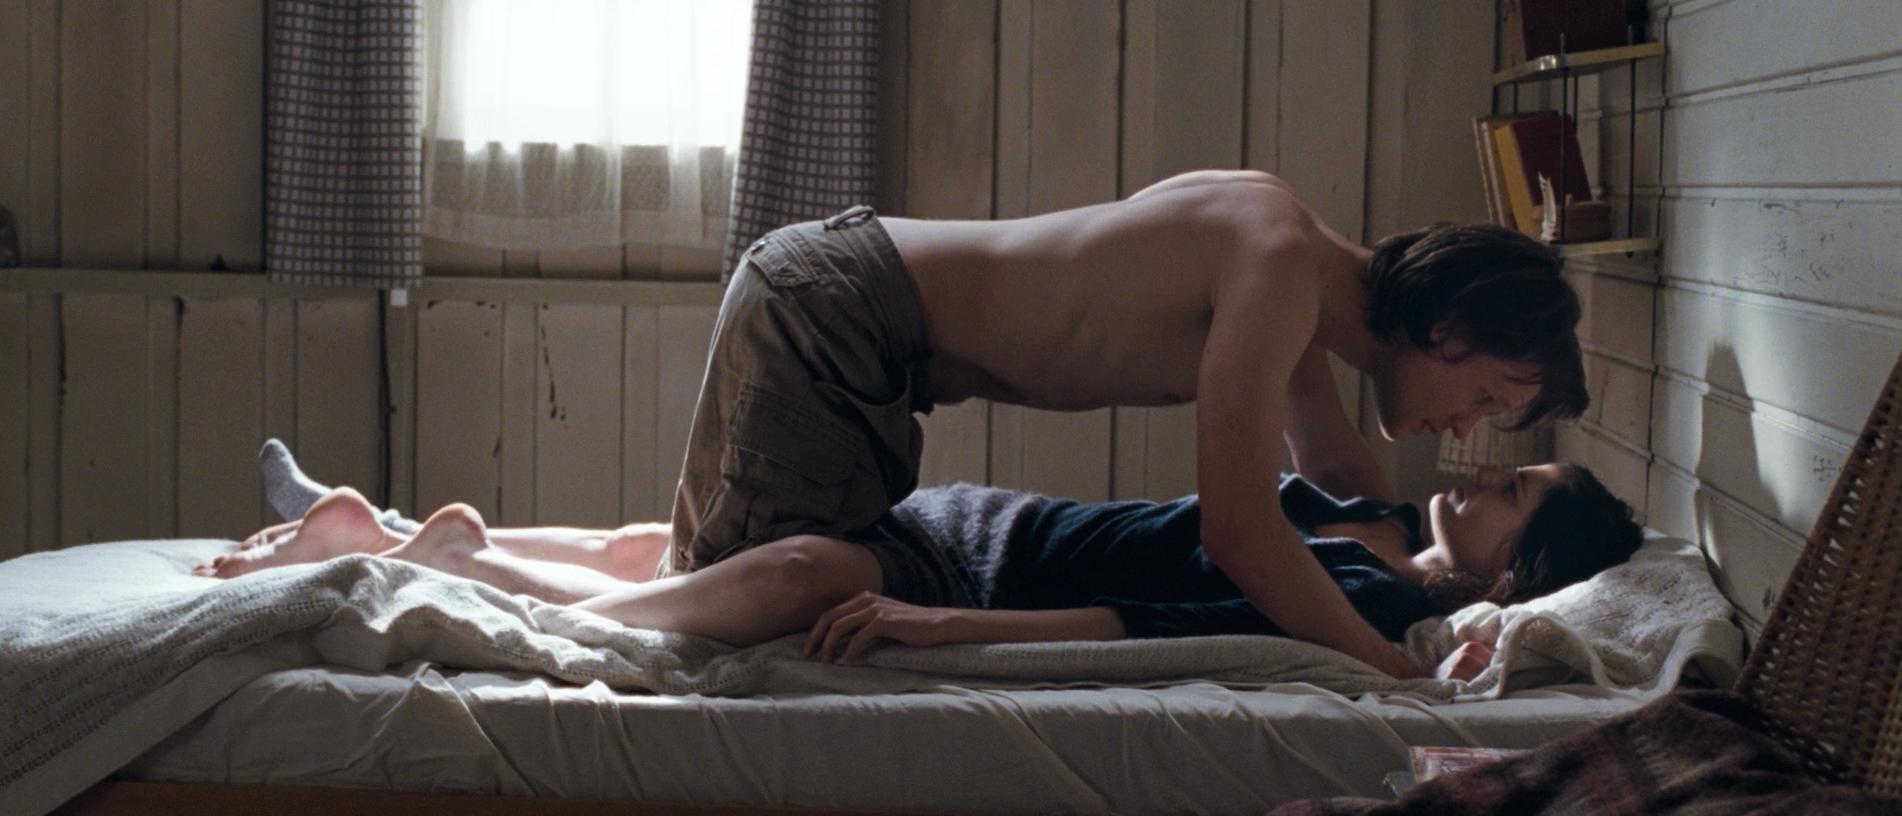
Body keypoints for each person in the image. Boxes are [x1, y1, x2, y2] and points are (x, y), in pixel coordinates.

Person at [217, 169, 1591, 680]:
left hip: (852, 310)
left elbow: (1333, 486)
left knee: (730, 562)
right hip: (847, 313)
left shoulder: (1285, 257)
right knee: (755, 587)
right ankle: (431, 569)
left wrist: (1457, 591)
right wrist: (1385, 663)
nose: (1462, 431)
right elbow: (1244, 534)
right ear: (1449, 331)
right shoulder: (1278, 275)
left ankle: (407, 535)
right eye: (1486, 398)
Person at [206, 458, 1641, 683]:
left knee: (778, 577)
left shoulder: (1380, 595)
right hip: (982, 519)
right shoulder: (1371, 506)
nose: (1481, 473)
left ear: (1520, 570)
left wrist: (938, 627)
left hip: (981, 570)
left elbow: (1155, 620)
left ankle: (429, 556)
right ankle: (428, 547)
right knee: (698, 555)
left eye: (1513, 494)